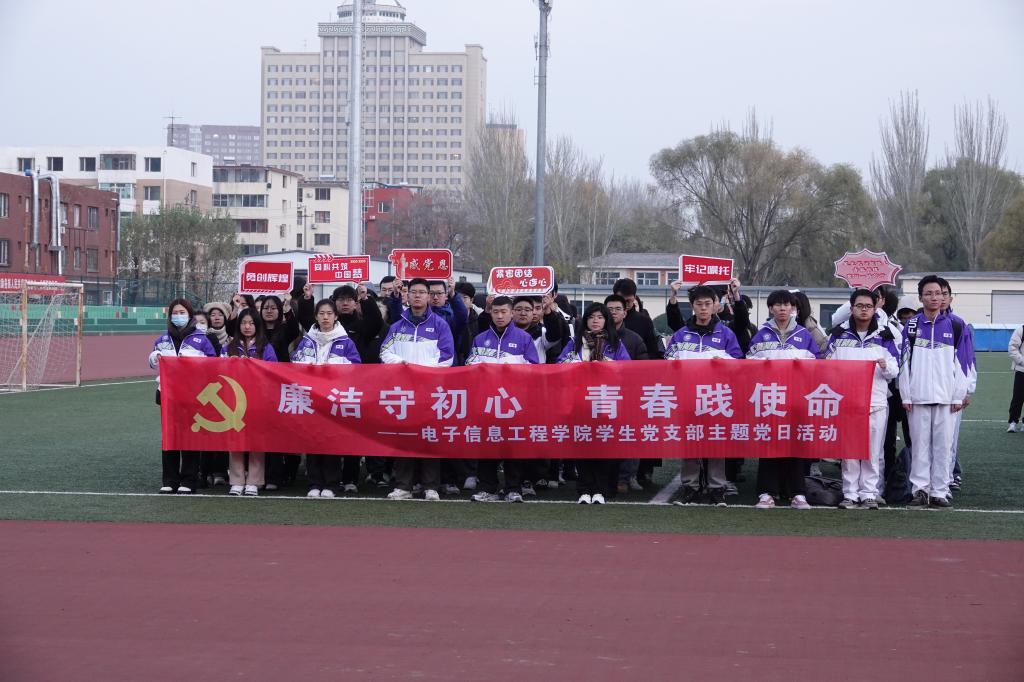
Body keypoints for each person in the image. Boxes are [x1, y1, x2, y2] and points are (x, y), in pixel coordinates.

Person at [664, 285, 744, 506]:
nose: (703, 308)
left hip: (716, 397)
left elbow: (738, 362)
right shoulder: (681, 334)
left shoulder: (726, 333)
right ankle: (690, 486)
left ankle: (717, 487)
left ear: (715, 305)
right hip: (688, 396)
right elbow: (667, 360)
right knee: (690, 441)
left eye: (708, 304)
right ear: (692, 306)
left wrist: (723, 361)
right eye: (699, 304)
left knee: (716, 442)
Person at [898, 275, 973, 508]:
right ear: (920, 298)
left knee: (944, 447)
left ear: (944, 297)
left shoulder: (957, 325)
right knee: (920, 447)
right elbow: (904, 362)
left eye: (938, 293)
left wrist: (959, 394)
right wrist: (906, 394)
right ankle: (920, 490)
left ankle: (940, 491)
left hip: (947, 398)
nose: (934, 297)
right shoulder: (911, 326)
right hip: (917, 398)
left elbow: (964, 362)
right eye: (928, 293)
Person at [824, 289, 900, 510]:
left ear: (875, 309)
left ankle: (869, 492)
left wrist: (886, 367)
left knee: (873, 450)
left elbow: (896, 369)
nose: (864, 310)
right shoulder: (838, 334)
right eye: (859, 306)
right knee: (848, 450)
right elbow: (827, 365)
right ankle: (850, 493)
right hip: (846, 402)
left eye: (868, 306)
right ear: (851, 308)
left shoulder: (886, 334)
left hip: (876, 401)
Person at [381, 278, 455, 501]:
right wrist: (402, 364)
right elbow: (385, 352)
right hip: (403, 392)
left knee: (429, 437)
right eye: (413, 291)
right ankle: (403, 486)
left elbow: (447, 357)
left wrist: (420, 370)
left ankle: (430, 486)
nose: (417, 296)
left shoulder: (440, 325)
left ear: (428, 296)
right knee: (405, 438)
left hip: (431, 391)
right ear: (407, 295)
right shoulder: (397, 326)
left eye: (422, 292)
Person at [747, 289, 819, 509]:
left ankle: (797, 493)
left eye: (786, 305)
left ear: (793, 308)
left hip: (796, 399)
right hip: (769, 399)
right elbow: (748, 362)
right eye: (777, 305)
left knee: (796, 445)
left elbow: (817, 363)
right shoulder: (761, 334)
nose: (782, 309)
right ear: (771, 308)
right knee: (769, 444)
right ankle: (767, 493)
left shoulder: (804, 335)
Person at [466, 296, 540, 503]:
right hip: (487, 401)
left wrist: (511, 368)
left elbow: (533, 367)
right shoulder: (480, 338)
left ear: (511, 313)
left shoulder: (524, 338)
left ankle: (513, 488)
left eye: (504, 312)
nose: (500, 316)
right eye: (496, 312)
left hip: (513, 402)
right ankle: (487, 488)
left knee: (513, 445)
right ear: (490, 312)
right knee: (487, 444)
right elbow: (470, 364)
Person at [558, 303, 631, 504]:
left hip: (607, 401)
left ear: (606, 320)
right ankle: (584, 488)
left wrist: (607, 365)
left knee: (605, 446)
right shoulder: (575, 343)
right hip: (580, 401)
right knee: (582, 445)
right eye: (591, 317)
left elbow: (628, 369)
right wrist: (578, 366)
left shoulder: (615, 344)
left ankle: (601, 489)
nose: (595, 321)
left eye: (600, 317)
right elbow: (560, 364)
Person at [291, 299, 362, 498]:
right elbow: (294, 362)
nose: (325, 317)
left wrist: (333, 367)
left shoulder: (345, 341)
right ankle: (314, 483)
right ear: (316, 316)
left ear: (336, 316)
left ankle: (331, 483)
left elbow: (356, 366)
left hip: (334, 399)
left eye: (329, 313)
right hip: (311, 398)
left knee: (332, 441)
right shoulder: (307, 340)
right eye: (321, 313)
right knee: (313, 440)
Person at [148, 298, 217, 494]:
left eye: (182, 312)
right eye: (175, 313)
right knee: (169, 436)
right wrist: (154, 357)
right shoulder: (163, 340)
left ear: (189, 315)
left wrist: (195, 361)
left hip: (193, 395)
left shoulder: (201, 339)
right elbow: (152, 361)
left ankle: (188, 480)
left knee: (189, 437)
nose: (178, 316)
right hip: (167, 394)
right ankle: (169, 480)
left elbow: (213, 363)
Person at [222, 308, 278, 496]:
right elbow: (217, 369)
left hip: (258, 400)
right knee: (235, 440)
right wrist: (230, 363)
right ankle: (236, 480)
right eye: (244, 323)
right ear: (239, 325)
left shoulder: (265, 347)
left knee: (256, 441)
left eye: (251, 323)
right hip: (233, 401)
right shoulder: (229, 347)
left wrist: (254, 365)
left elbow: (274, 371)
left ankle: (254, 481)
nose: (247, 326)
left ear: (257, 326)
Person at [612, 278, 661, 359]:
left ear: (634, 297)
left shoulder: (644, 321)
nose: (625, 304)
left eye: (628, 301)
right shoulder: (605, 319)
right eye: (621, 300)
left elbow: (653, 352)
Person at [1008, 322, 1024, 433]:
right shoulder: (1020, 330)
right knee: (1017, 397)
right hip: (1021, 370)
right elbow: (1012, 348)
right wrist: (1022, 361)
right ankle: (1013, 422)